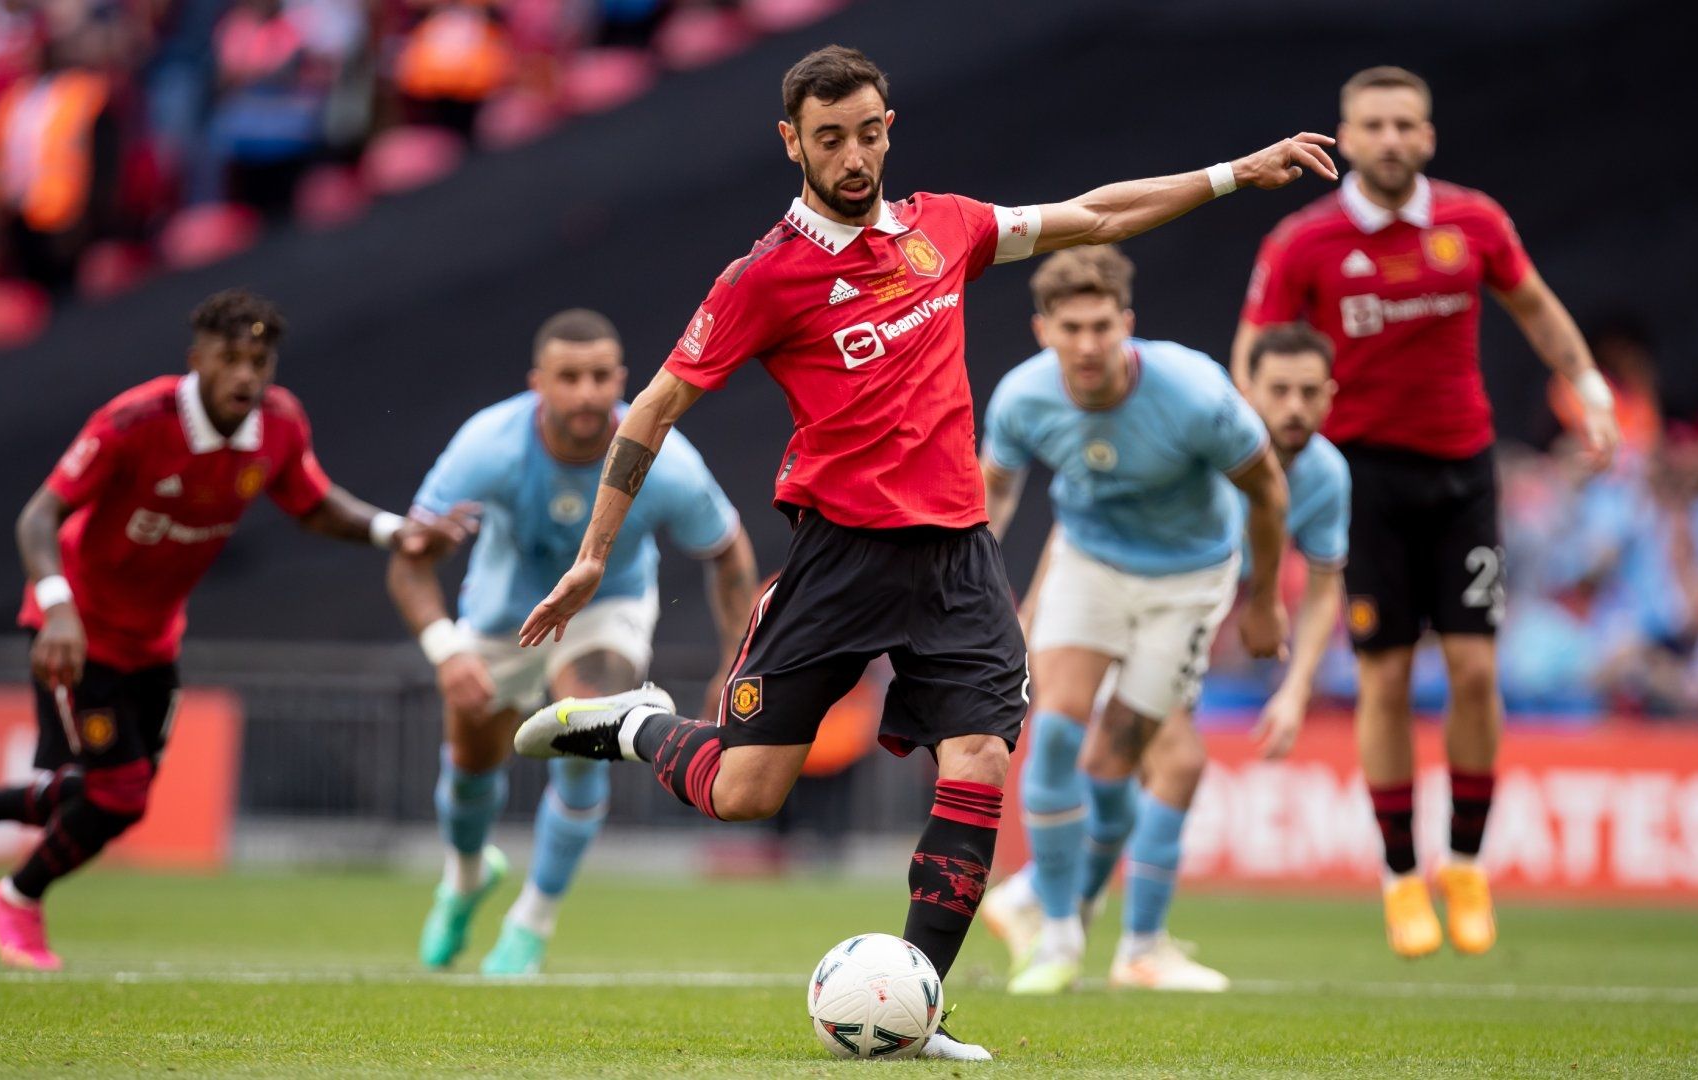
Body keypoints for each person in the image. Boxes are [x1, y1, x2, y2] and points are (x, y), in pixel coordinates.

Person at [511, 46, 1336, 1060]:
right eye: (828, 139)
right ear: (791, 144)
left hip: (955, 557)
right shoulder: (766, 276)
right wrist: (595, 554)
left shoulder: (944, 228)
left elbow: (1094, 214)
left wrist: (1230, 175)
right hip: (838, 560)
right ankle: (639, 725)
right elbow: (657, 404)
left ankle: (921, 1003)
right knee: (745, 792)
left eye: (867, 132)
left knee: (981, 757)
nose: (852, 156)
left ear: (889, 125)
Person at [0, 289, 477, 971]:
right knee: (113, 790)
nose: (246, 375)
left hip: (154, 638)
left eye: (260, 361)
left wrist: (397, 532)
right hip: (79, 630)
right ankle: (14, 899)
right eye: (230, 359)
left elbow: (311, 502)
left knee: (120, 798)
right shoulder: (135, 420)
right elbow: (37, 518)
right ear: (197, 360)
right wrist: (58, 608)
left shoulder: (278, 424)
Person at [1230, 66, 1618, 958]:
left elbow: (1536, 308)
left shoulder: (1473, 223)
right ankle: (1402, 875)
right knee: (1387, 680)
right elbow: (1253, 352)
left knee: (1478, 671)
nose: (1392, 139)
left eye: (1407, 124)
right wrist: (1257, 443)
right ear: (1347, 135)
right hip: (1360, 480)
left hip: (1461, 472)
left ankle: (1467, 863)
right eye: (1375, 125)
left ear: (1429, 137)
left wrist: (1587, 384)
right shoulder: (1302, 243)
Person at [976, 316, 1348, 994]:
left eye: (1307, 393)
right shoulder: (1200, 430)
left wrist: (1295, 690)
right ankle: (1121, 940)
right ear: (1246, 391)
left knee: (1120, 765)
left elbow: (1325, 588)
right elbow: (1093, 513)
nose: (1292, 409)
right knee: (1172, 762)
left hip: (1182, 613)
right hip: (1119, 598)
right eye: (1278, 391)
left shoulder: (1324, 476)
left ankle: (1042, 903)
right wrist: (1034, 609)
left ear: (1330, 397)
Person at [387, 308, 757, 975]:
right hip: (503, 617)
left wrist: (735, 665)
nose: (586, 392)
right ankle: (467, 877)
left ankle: (532, 923)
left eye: (598, 377)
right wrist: (448, 651)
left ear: (621, 379)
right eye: (569, 377)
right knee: (472, 762)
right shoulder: (488, 445)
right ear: (539, 383)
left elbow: (727, 553)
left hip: (606, 611)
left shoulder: (666, 460)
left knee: (587, 728)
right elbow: (408, 557)